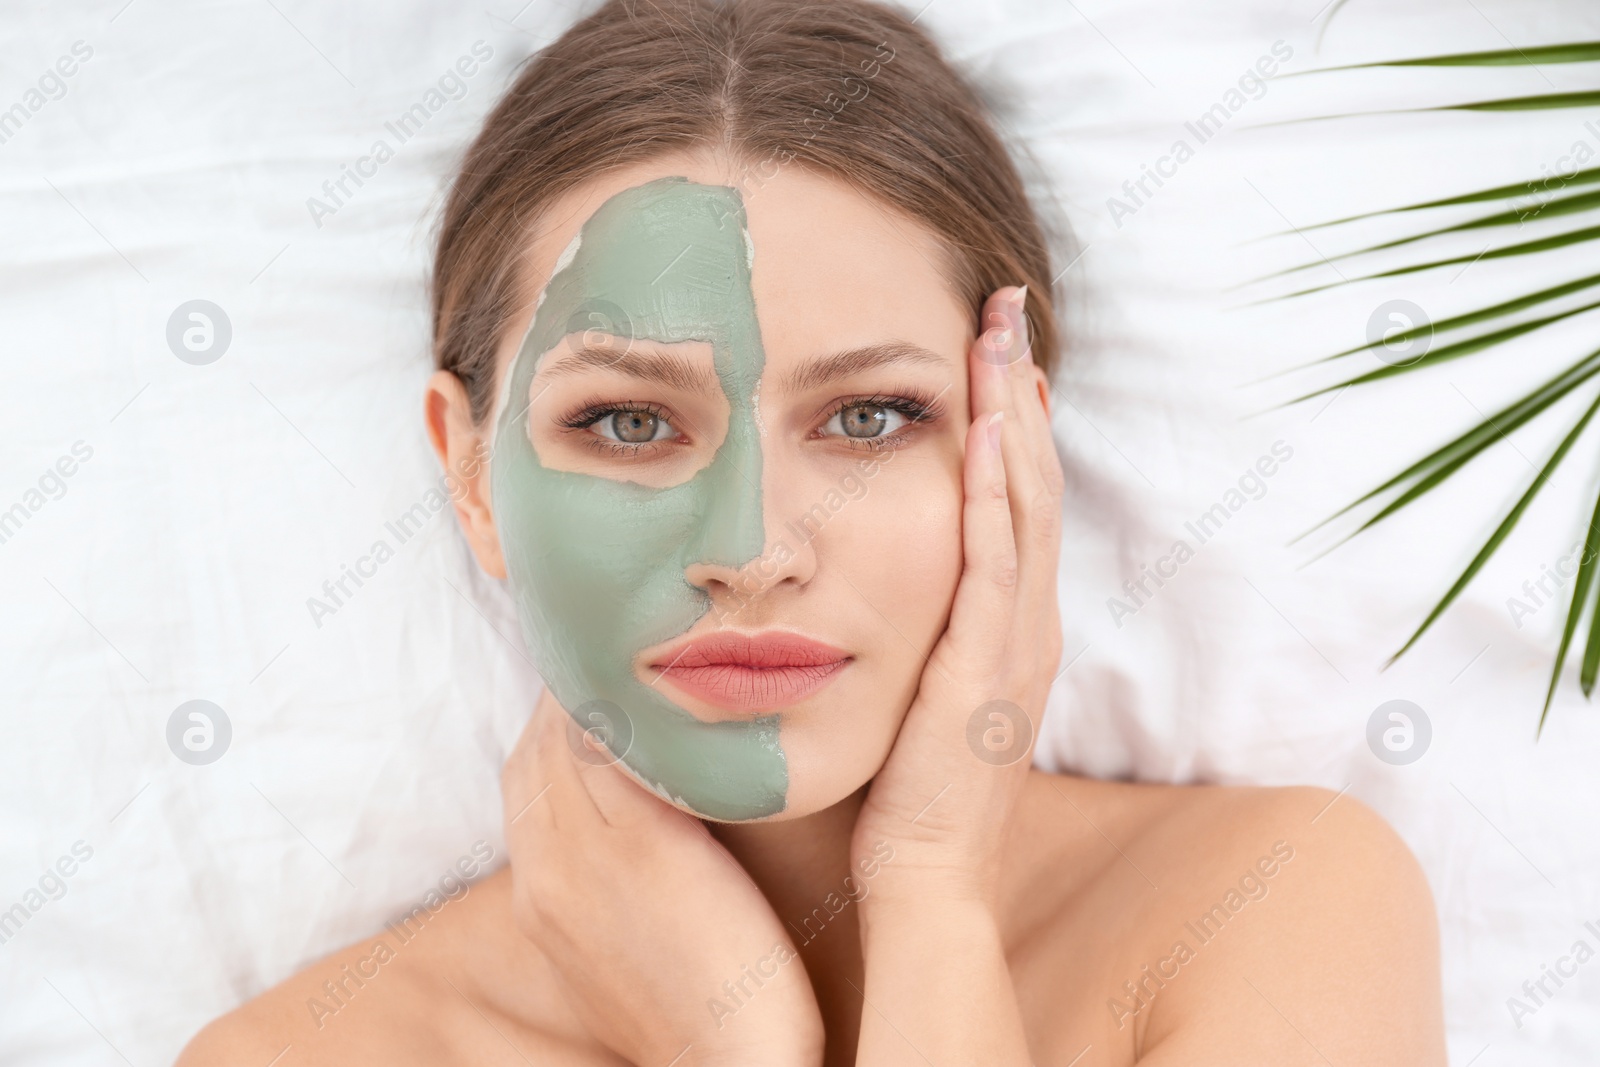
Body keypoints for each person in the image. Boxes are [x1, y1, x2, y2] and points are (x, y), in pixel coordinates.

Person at [179, 0, 1446, 1063]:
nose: (753, 543)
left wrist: (933, 899)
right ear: (468, 474)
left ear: (1018, 455)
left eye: (870, 415)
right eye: (626, 422)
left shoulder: (1271, 907)